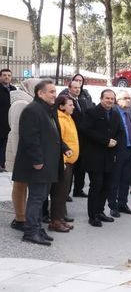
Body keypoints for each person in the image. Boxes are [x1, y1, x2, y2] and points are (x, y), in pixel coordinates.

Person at [11, 79, 61, 246]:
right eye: (51, 92)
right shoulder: (32, 110)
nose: (55, 95)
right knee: (36, 198)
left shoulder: (46, 109)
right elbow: (30, 138)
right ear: (40, 93)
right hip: (38, 165)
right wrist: (37, 160)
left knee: (40, 198)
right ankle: (31, 231)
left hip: (47, 164)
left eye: (55, 91)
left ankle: (38, 228)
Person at [82, 89, 123, 227]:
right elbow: (87, 131)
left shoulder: (115, 114)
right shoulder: (91, 112)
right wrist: (105, 141)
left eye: (112, 99)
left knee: (106, 186)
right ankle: (92, 215)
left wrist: (115, 141)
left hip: (110, 156)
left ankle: (100, 211)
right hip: (95, 156)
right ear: (101, 98)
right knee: (96, 186)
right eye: (107, 98)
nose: (110, 101)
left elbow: (120, 132)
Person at [6, 78, 41, 231]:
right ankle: (20, 218)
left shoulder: (27, 102)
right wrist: (22, 157)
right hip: (20, 153)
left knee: (22, 185)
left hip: (22, 153)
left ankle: (23, 216)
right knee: (20, 186)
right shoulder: (21, 104)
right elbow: (17, 133)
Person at [49, 95, 78, 233]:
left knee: (63, 192)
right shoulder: (60, 119)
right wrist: (64, 161)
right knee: (59, 192)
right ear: (61, 107)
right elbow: (59, 141)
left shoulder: (68, 118)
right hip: (63, 161)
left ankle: (60, 218)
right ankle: (55, 221)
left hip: (70, 161)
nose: (73, 107)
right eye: (70, 105)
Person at [61, 76, 93, 197]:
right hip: (72, 137)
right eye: (75, 88)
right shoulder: (66, 101)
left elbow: (87, 115)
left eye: (79, 88)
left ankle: (78, 189)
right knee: (71, 168)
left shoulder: (83, 100)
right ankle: (66, 193)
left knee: (81, 166)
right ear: (69, 88)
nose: (77, 90)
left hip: (83, 140)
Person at [108, 90, 131, 217]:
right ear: (117, 101)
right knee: (115, 180)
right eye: (125, 98)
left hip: (128, 150)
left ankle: (122, 203)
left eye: (129, 98)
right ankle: (113, 206)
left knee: (126, 179)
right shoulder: (114, 113)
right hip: (118, 151)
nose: (128, 100)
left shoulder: (127, 113)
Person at [0, 68, 17, 172]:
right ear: (0, 77)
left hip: (10, 121)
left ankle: (4, 164)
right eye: (4, 75)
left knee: (7, 144)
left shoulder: (13, 89)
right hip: (0, 121)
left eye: (9, 75)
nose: (7, 77)